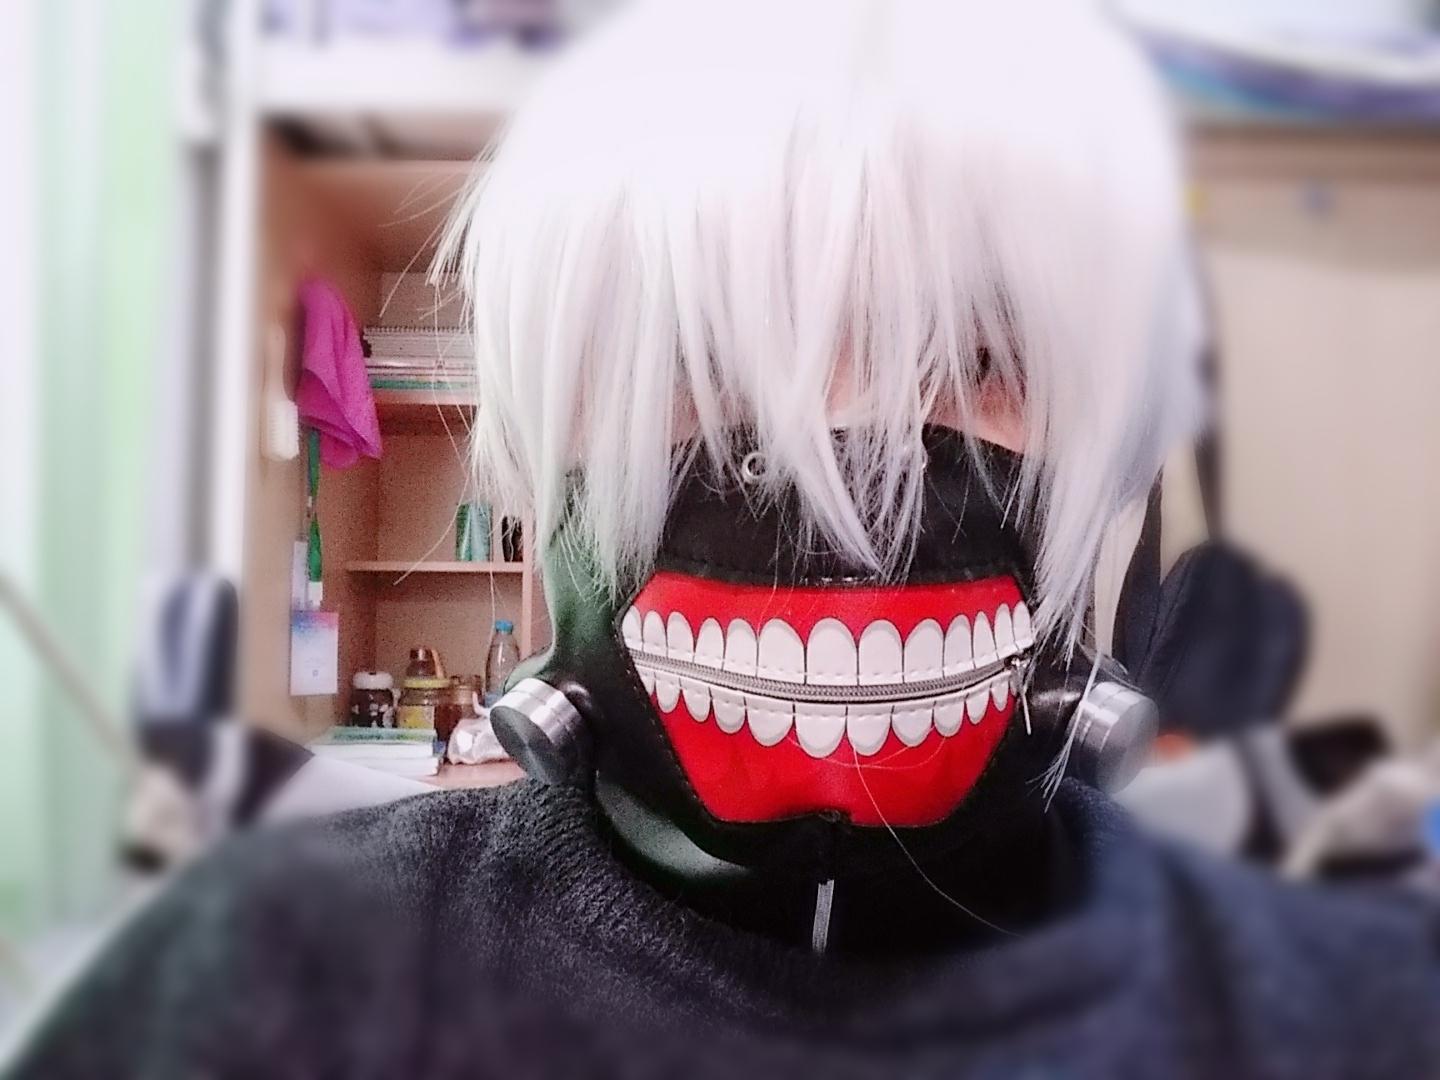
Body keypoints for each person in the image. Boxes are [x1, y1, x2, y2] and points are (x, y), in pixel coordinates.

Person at [8, 2, 1437, 1076]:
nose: (837, 478)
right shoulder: (270, 977)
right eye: (705, 357)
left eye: (977, 354)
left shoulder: (1362, 1017)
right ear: (546, 463)